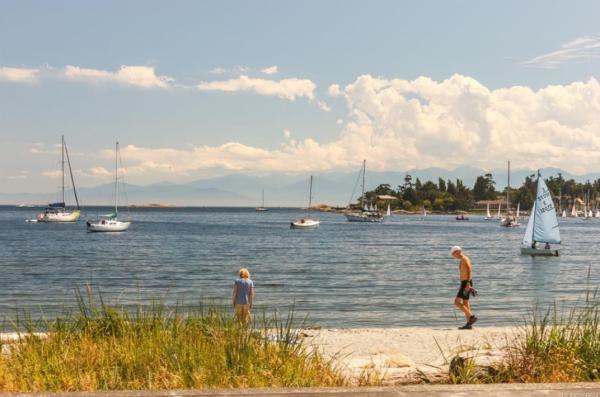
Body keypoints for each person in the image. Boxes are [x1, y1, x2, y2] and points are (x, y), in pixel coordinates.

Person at [451, 246, 478, 330]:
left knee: (456, 302)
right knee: (465, 303)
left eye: (453, 253)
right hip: (464, 282)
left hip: (466, 282)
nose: (453, 256)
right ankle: (469, 324)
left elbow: (469, 269)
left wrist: (467, 284)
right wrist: (462, 284)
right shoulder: (462, 259)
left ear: (457, 252)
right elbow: (464, 272)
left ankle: (471, 317)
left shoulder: (464, 258)